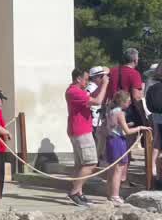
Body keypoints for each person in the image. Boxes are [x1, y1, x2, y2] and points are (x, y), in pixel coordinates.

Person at [65, 67, 109, 206]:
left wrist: (100, 84)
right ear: (78, 78)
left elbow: (91, 96)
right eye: (85, 79)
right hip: (81, 130)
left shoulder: (75, 91)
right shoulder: (74, 92)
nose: (87, 81)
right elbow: (97, 101)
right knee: (90, 163)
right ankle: (74, 191)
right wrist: (105, 84)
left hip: (78, 129)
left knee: (80, 164)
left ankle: (79, 192)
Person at [104, 91, 152, 204]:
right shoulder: (120, 113)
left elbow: (115, 126)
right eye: (128, 101)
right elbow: (127, 131)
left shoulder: (111, 111)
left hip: (110, 140)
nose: (130, 102)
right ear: (123, 101)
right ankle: (115, 195)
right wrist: (140, 127)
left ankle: (109, 193)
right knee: (118, 170)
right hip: (118, 141)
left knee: (112, 169)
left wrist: (127, 124)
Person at [106, 47, 146, 124]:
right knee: (130, 134)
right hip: (127, 113)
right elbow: (136, 97)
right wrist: (143, 116)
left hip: (112, 110)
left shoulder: (112, 71)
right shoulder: (134, 74)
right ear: (135, 60)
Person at [143, 62, 162, 185]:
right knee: (157, 142)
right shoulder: (155, 85)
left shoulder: (151, 84)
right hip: (157, 114)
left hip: (155, 115)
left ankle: (154, 170)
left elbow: (148, 102)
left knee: (157, 142)